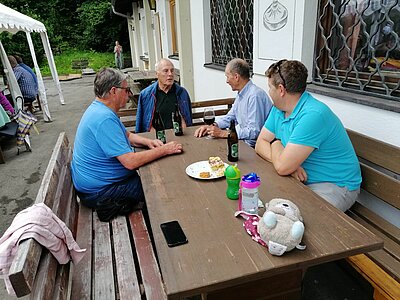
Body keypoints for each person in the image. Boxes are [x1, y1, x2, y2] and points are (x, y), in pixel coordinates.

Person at [71, 68, 183, 222]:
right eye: (126, 89)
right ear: (113, 91)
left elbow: (127, 135)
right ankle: (164, 227)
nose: (130, 94)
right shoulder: (103, 118)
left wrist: (148, 141)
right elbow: (130, 162)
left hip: (98, 184)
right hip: (101, 192)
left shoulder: (100, 110)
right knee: (161, 186)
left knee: (156, 175)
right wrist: (165, 149)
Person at [255, 59, 361, 211]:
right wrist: (287, 165)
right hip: (301, 179)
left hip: (335, 185)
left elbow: (281, 165)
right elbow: (260, 143)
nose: (269, 92)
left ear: (281, 89)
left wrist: (276, 144)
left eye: (270, 87)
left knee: (298, 222)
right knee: (263, 202)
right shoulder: (279, 109)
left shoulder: (313, 115)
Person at [194, 58, 273, 147]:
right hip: (243, 143)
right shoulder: (242, 93)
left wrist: (224, 133)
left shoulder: (254, 95)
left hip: (254, 148)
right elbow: (230, 117)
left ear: (236, 77)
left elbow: (254, 131)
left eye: (227, 76)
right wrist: (213, 126)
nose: (227, 81)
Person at [135, 58, 192, 133]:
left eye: (172, 71)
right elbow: (145, 123)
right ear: (157, 74)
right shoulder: (146, 95)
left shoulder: (182, 93)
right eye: (166, 71)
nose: (170, 74)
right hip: (156, 138)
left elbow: (186, 120)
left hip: (179, 135)